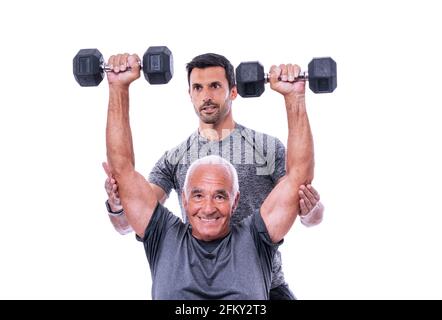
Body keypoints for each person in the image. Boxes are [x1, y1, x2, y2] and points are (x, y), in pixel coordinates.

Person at [103, 53, 324, 299]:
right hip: (191, 280)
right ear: (189, 93)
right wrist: (117, 203)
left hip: (263, 284)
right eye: (197, 87)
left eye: (215, 86)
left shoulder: (266, 148)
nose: (206, 96)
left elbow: (300, 194)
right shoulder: (174, 158)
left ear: (233, 91)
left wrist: (295, 97)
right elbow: (132, 217)